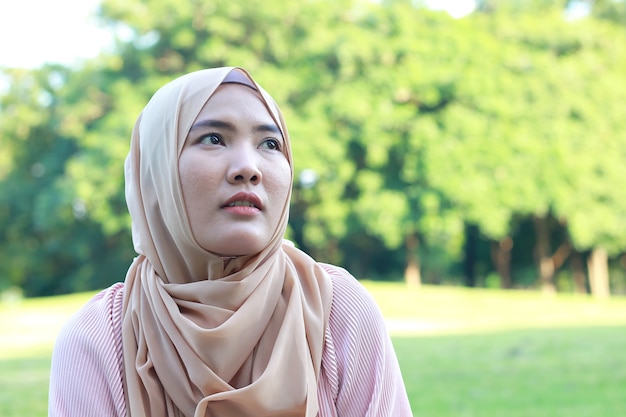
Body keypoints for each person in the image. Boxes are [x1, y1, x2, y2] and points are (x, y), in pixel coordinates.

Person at [48, 67, 412, 417]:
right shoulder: (98, 340)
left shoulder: (336, 311)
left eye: (270, 143)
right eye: (213, 138)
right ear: (156, 171)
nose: (248, 167)